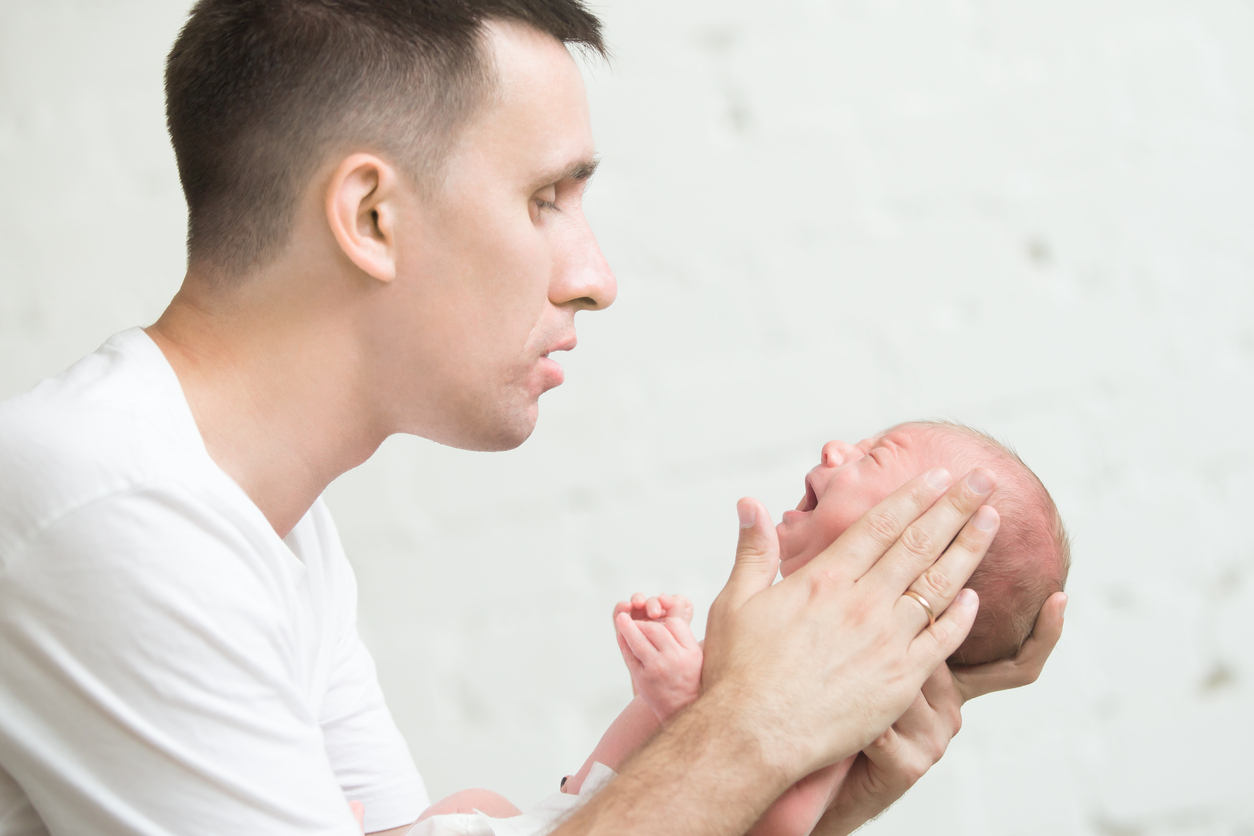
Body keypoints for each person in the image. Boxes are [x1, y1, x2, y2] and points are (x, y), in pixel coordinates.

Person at [0, 2, 1066, 835]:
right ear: (371, 216)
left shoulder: (272, 532)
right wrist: (758, 725)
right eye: (546, 198)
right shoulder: (113, 508)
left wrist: (804, 784)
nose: (595, 278)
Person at [406, 420, 1070, 836]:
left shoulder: (848, 698)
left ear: (911, 556)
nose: (837, 447)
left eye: (873, 458)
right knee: (473, 801)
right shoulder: (785, 638)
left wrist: (685, 699)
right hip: (576, 817)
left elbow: (779, 823)